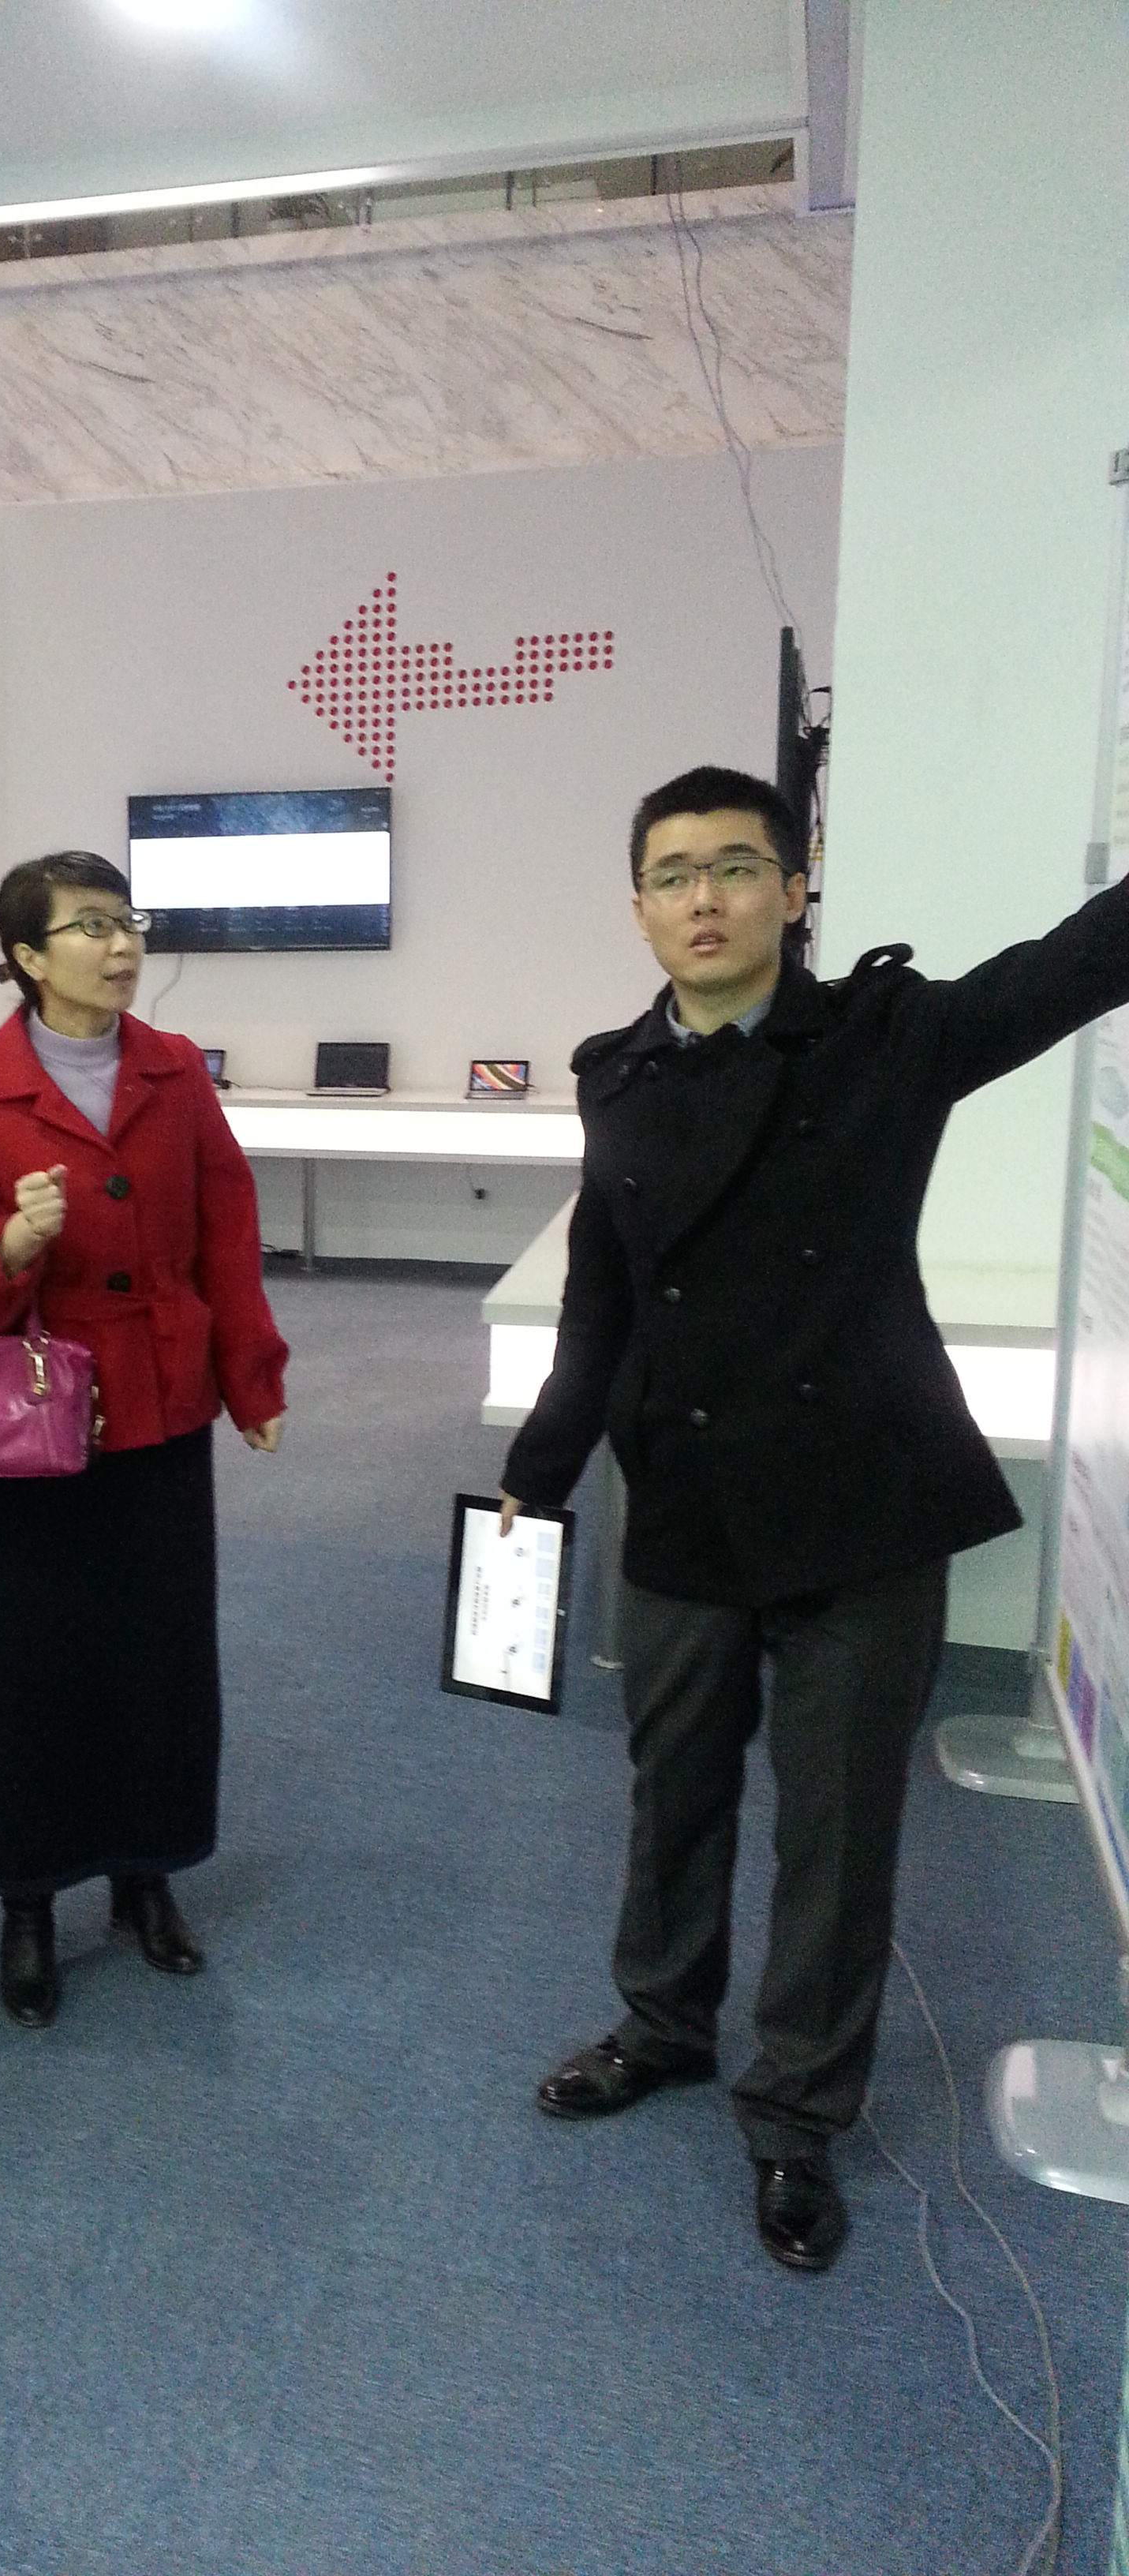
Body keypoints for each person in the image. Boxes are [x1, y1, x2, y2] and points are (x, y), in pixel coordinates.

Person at [502, 763, 1129, 2275]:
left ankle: (795, 2112)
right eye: (673, 875)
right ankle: (663, 2024)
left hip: (860, 1506)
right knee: (674, 1791)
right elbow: (604, 1286)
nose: (704, 899)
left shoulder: (885, 1038)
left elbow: (1067, 968)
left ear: (796, 889)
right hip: (685, 1495)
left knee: (840, 1831)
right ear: (640, 908)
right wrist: (546, 1455)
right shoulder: (614, 1074)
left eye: (736, 867)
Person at [0, 851, 289, 2027]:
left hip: (163, 1399)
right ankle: (27, 1900)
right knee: (30, 1666)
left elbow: (228, 1225)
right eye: (90, 926)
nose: (123, 944)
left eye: (128, 921)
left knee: (161, 1655)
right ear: (28, 957)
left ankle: (146, 1875)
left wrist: (251, 1375)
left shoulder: (175, 1071)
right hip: (35, 1418)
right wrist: (13, 1245)